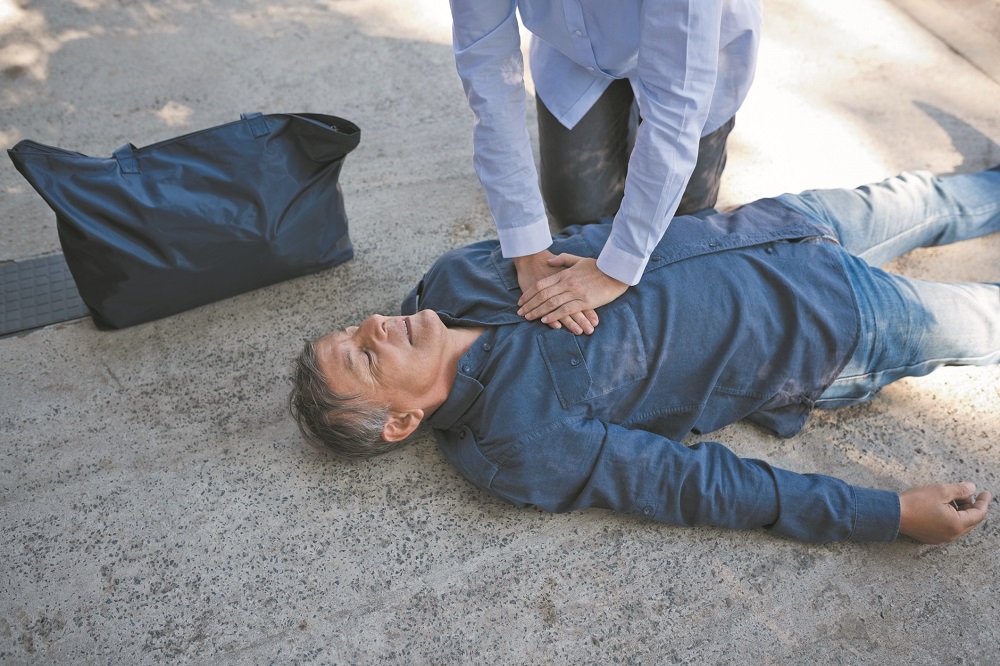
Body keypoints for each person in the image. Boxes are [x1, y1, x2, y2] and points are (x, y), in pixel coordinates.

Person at [289, 166, 1000, 545]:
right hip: (832, 326)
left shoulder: (451, 279)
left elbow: (598, 233)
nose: (378, 324)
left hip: (777, 226)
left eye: (355, 329)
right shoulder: (519, 444)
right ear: (400, 423)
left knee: (932, 195)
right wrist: (889, 514)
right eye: (363, 357)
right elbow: (696, 488)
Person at [449, 0, 762, 335]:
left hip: (696, 58)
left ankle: (639, 129)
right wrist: (526, 249)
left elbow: (677, 106)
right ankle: (630, 126)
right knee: (580, 207)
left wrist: (617, 268)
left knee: (685, 222)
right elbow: (488, 72)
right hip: (575, 51)